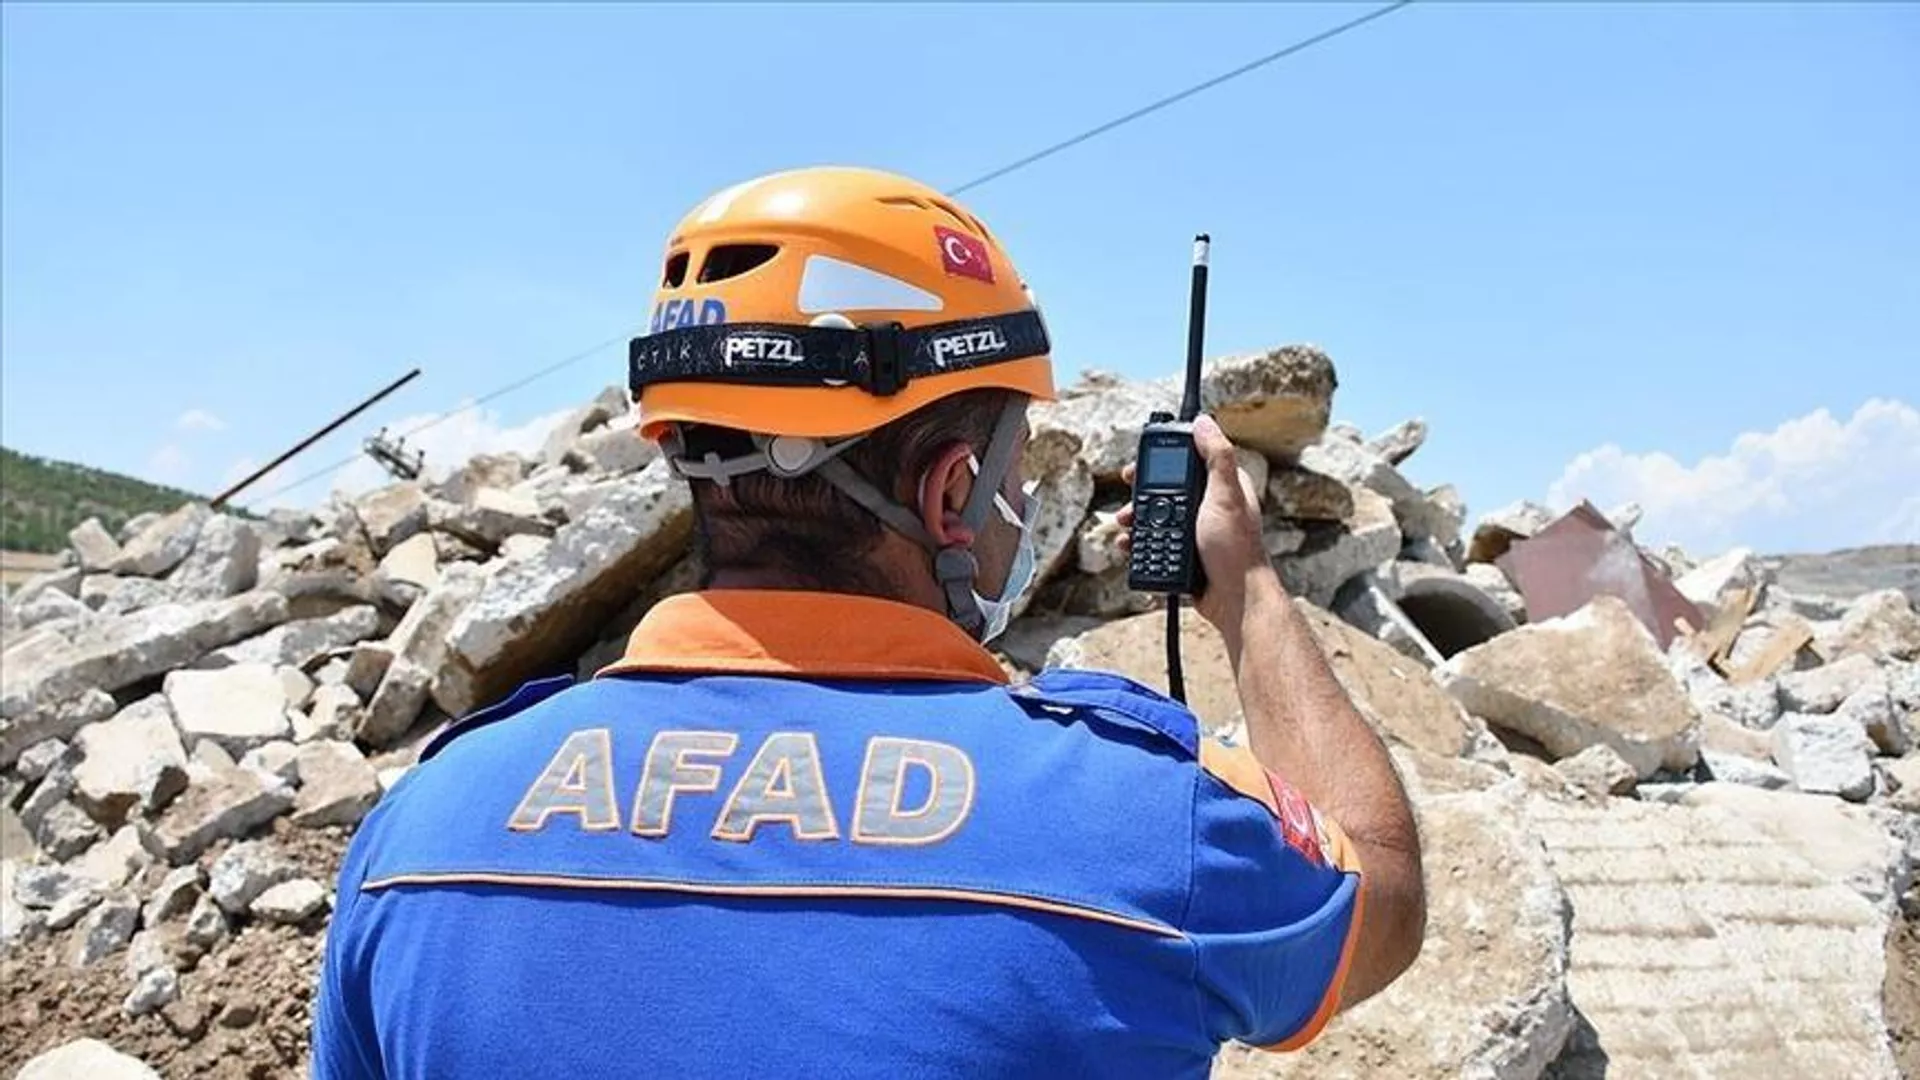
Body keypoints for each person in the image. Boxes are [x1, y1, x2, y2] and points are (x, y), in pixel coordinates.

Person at [311, 166, 1425, 1079]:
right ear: (947, 496)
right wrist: (1245, 591)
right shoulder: (1147, 824)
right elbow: (1380, 887)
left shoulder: (421, 834)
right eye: (1011, 464)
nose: (1022, 503)